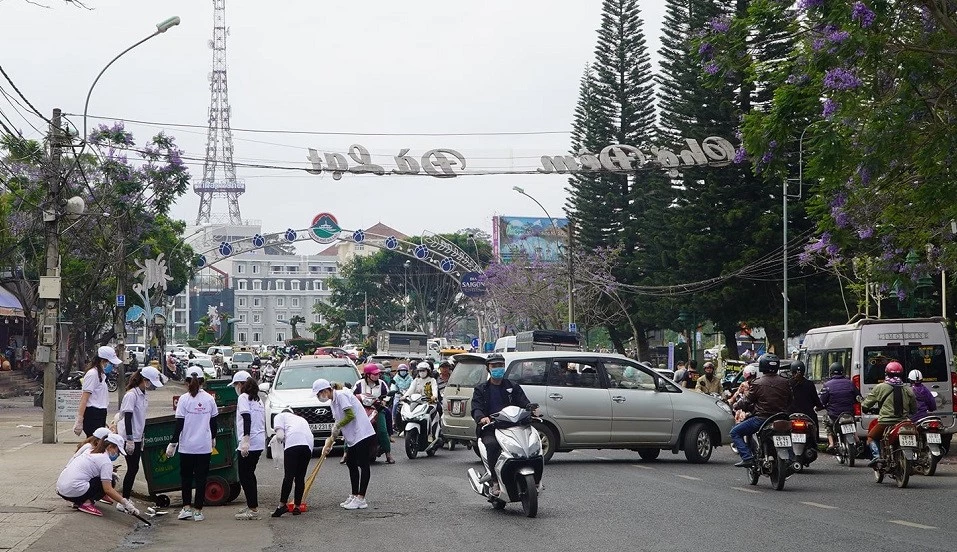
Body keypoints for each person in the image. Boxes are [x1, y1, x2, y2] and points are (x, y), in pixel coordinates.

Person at [470, 353, 531, 496]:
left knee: (530, 443)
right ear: (488, 368)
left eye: (500, 365)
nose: (498, 368)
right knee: (492, 446)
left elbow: (524, 402)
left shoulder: (513, 386)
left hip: (513, 426)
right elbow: (476, 408)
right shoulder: (481, 389)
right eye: (494, 366)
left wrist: (532, 409)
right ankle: (494, 481)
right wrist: (482, 418)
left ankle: (535, 479)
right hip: (490, 428)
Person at [165, 366, 219, 522]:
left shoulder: (184, 399)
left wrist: (173, 443)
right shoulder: (209, 399)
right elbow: (214, 422)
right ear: (203, 381)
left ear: (186, 381)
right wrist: (213, 438)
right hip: (204, 446)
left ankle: (186, 508)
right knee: (201, 478)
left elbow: (179, 424)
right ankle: (198, 511)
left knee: (186, 478)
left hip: (187, 446)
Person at [315, 378, 377, 510]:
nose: (319, 397)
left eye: (319, 394)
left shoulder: (342, 395)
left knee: (363, 464)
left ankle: (361, 498)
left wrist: (338, 426)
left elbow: (350, 416)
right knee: (350, 463)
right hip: (353, 436)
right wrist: (330, 441)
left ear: (326, 390)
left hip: (362, 433)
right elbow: (338, 421)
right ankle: (354, 495)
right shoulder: (333, 401)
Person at [729, 354, 792, 468]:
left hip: (761, 419)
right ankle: (791, 458)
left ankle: (748, 458)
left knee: (735, 432)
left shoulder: (758, 383)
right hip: (782, 418)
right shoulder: (786, 381)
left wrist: (736, 405)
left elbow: (747, 400)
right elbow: (790, 400)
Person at [56, 433, 139, 517]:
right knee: (111, 481)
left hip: (61, 490)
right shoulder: (105, 461)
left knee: (103, 479)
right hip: (73, 490)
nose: (118, 455)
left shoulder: (90, 451)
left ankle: (78, 501)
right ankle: (87, 503)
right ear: (110, 447)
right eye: (118, 451)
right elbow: (108, 489)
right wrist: (126, 503)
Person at [117, 366, 165, 508]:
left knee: (134, 468)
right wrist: (130, 439)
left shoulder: (143, 394)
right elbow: (128, 417)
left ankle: (125, 499)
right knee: (132, 468)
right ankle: (124, 500)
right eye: (150, 383)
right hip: (129, 437)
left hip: (138, 436)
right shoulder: (131, 395)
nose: (151, 387)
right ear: (144, 380)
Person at [860, 361, 917, 466]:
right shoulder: (907, 389)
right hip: (903, 423)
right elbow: (914, 409)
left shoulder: (880, 387)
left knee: (871, 437)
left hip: (885, 422)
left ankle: (877, 457)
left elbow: (866, 404)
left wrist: (865, 407)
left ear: (886, 373)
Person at [232, 371, 266, 520]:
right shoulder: (258, 400)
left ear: (240, 384)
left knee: (245, 476)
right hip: (258, 442)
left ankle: (253, 509)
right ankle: (252, 505)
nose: (235, 387)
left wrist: (245, 440)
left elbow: (246, 418)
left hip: (249, 443)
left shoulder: (243, 398)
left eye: (235, 384)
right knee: (250, 474)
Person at [269, 408, 313, 517]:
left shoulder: (280, 416)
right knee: (300, 478)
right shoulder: (302, 419)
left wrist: (278, 441)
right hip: (307, 447)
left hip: (292, 446)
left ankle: (281, 505)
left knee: (288, 477)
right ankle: (297, 506)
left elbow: (280, 436)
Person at [74, 346, 123, 438]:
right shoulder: (92, 374)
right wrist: (79, 419)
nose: (109, 365)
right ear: (102, 360)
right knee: (95, 443)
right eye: (108, 362)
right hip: (92, 413)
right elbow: (84, 398)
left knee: (98, 443)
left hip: (100, 413)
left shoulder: (101, 374)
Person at [353, 364, 395, 464]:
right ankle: (346, 453)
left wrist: (384, 401)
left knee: (382, 431)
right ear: (367, 375)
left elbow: (387, 396)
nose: (377, 376)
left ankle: (388, 454)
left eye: (378, 374)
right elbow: (353, 396)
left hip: (378, 410)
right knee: (354, 429)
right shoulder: (359, 384)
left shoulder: (382, 384)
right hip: (362, 412)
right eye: (374, 374)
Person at [818, 362, 861, 451]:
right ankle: (857, 439)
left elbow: (822, 402)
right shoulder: (850, 383)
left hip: (834, 415)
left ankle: (831, 443)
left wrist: (819, 407)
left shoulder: (827, 385)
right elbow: (858, 398)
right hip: (849, 413)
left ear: (831, 372)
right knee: (853, 422)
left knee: (826, 422)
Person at [788, 361, 823, 446]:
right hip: (808, 415)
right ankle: (815, 443)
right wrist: (820, 406)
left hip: (790, 415)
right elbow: (816, 400)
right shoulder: (809, 384)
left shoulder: (787, 383)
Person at [391, 363, 413, 430]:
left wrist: (410, 391)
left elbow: (412, 386)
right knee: (395, 404)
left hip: (408, 395)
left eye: (404, 370)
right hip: (399, 394)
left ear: (406, 371)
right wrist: (394, 390)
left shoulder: (410, 378)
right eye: (401, 370)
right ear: (398, 371)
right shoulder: (396, 378)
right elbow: (393, 385)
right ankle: (393, 421)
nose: (402, 372)